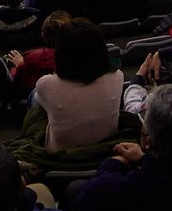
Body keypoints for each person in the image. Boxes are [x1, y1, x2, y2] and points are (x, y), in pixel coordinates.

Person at [32, 18, 122, 150]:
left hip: (60, 159)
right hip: (104, 152)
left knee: (33, 96)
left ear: (61, 52)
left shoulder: (46, 84)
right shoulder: (118, 76)